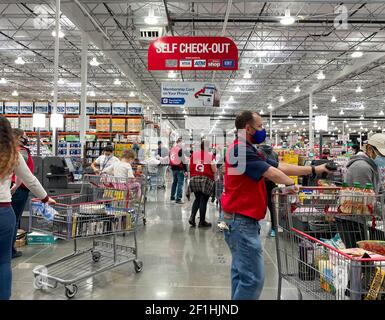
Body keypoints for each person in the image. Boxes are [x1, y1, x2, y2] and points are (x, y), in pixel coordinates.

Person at [221, 110, 330, 300]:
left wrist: (314, 169)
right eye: (260, 126)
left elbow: (279, 167)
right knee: (253, 279)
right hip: (241, 221)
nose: (263, 130)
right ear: (248, 128)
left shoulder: (248, 148)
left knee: (241, 275)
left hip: (242, 220)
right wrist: (290, 184)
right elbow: (273, 173)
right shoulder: (240, 150)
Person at [0, 116, 55, 300]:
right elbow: (30, 179)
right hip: (4, 212)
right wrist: (46, 198)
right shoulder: (13, 154)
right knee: (3, 262)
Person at [9, 129, 33, 258]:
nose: (26, 138)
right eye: (24, 136)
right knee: (14, 220)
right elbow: (21, 172)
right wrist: (16, 186)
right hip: (18, 189)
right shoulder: (21, 151)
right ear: (18, 137)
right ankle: (11, 251)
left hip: (13, 188)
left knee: (13, 220)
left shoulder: (10, 151)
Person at [188, 139, 217, 228]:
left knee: (197, 199)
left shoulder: (194, 155)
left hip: (194, 179)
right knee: (203, 200)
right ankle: (202, 221)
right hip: (205, 179)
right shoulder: (210, 155)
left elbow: (189, 167)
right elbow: (214, 169)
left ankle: (192, 217)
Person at [258, 142, 279, 237]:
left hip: (261, 182)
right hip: (272, 183)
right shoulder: (274, 153)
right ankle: (274, 228)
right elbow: (277, 167)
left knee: (258, 206)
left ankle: (256, 227)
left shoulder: (258, 152)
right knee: (272, 207)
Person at [169, 138, 187, 204]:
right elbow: (183, 161)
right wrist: (186, 170)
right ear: (180, 142)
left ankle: (172, 196)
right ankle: (178, 199)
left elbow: (170, 157)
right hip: (179, 169)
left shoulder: (172, 149)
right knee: (180, 183)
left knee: (174, 182)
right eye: (183, 142)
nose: (183, 144)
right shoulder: (180, 150)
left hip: (173, 168)